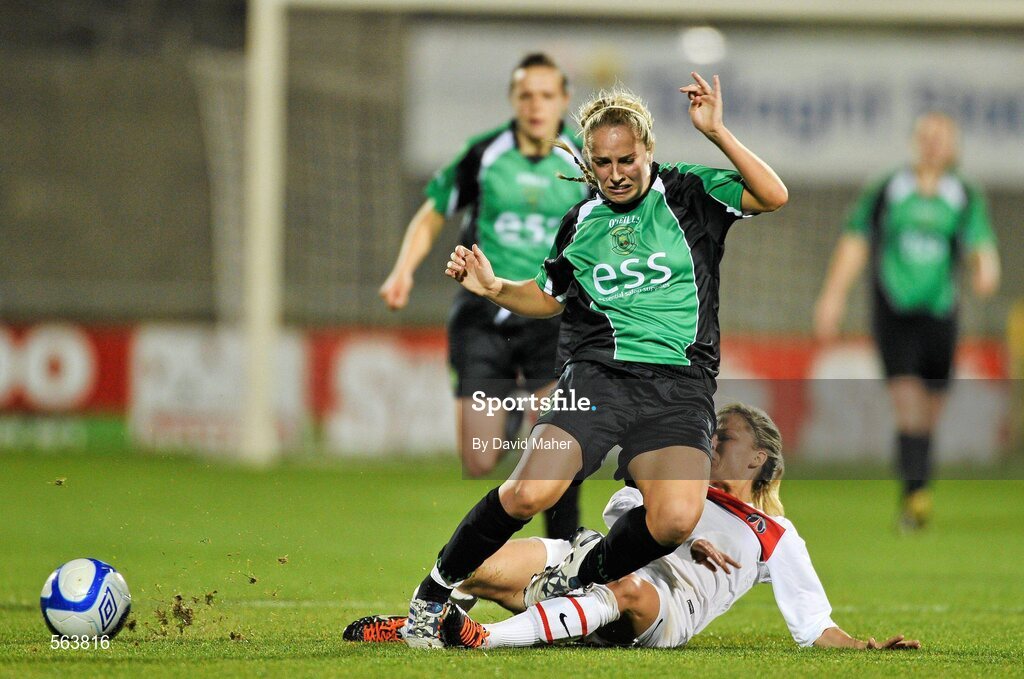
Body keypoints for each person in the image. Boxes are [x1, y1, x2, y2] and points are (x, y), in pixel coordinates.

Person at [401, 72, 788, 648]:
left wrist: (716, 131)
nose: (614, 174)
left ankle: (581, 573)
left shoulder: (690, 194)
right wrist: (494, 287)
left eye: (626, 160)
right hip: (597, 379)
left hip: (679, 390)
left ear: (647, 150)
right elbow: (548, 295)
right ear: (588, 161)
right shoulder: (582, 222)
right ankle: (431, 596)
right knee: (530, 494)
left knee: (676, 518)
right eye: (601, 163)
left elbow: (773, 195)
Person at [346, 404, 921, 652]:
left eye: (726, 438)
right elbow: (620, 508)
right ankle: (422, 626)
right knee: (474, 568)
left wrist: (863, 647)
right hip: (597, 558)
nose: (711, 441)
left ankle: (481, 641)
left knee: (627, 592)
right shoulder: (681, 486)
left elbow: (813, 620)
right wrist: (682, 531)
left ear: (759, 461)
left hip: (667, 606)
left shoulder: (777, 534)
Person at [379, 53, 590, 539]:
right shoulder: (485, 154)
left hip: (551, 313)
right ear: (513, 101)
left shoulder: (584, 162)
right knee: (479, 458)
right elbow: (434, 209)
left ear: (563, 100)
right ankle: (519, 408)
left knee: (559, 441)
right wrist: (403, 271)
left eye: (545, 95)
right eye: (525, 95)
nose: (535, 105)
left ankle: (564, 549)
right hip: (482, 315)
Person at [814, 112, 1000, 531]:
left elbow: (979, 239)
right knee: (907, 402)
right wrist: (834, 295)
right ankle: (914, 495)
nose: (934, 144)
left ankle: (917, 488)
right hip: (893, 312)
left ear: (952, 145)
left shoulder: (963, 193)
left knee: (930, 412)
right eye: (927, 136)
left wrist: (986, 266)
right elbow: (856, 239)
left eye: (942, 137)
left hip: (940, 314)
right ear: (917, 142)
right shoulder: (889, 188)